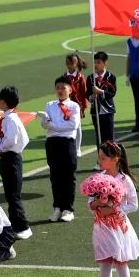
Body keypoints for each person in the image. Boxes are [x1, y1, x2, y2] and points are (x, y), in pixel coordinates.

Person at [88, 141, 139, 277]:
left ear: (115, 159)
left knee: (121, 263)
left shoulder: (124, 180)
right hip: (101, 227)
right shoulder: (98, 179)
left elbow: (133, 205)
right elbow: (90, 203)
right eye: (99, 158)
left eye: (103, 158)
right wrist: (98, 203)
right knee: (104, 263)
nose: (100, 161)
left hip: (119, 227)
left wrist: (115, 209)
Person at [0, 85, 31, 239]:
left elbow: (11, 140)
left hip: (11, 159)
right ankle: (16, 225)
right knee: (10, 194)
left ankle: (22, 227)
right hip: (10, 158)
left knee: (13, 195)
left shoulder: (10, 118)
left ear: (3, 102)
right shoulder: (10, 117)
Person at [39, 76, 81, 223]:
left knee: (68, 177)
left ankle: (68, 209)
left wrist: (51, 125)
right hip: (52, 143)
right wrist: (47, 122)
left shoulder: (74, 106)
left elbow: (72, 126)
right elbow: (44, 125)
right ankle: (57, 208)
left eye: (63, 87)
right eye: (58, 88)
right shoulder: (49, 105)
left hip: (67, 143)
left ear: (70, 89)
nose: (60, 90)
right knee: (55, 177)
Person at [86, 51, 118, 149]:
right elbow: (87, 94)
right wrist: (91, 97)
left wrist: (100, 91)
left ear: (105, 63)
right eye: (95, 62)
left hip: (108, 110)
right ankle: (100, 160)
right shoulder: (91, 78)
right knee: (99, 137)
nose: (96, 65)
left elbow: (112, 93)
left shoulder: (111, 77)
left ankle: (111, 159)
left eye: (98, 62)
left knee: (109, 137)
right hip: (96, 111)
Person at [62, 53, 89, 120]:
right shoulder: (63, 77)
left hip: (77, 105)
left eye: (71, 63)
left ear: (76, 64)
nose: (69, 65)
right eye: (67, 63)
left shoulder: (80, 77)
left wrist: (83, 107)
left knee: (76, 125)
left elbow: (83, 93)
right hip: (66, 105)